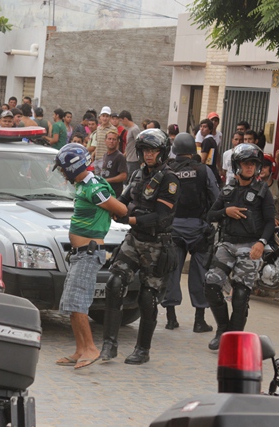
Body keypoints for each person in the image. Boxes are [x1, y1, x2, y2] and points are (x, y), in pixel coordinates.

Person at [100, 129, 180, 365]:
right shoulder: (137, 174)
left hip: (157, 244)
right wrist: (107, 205)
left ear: (162, 152)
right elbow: (123, 201)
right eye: (145, 150)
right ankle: (109, 344)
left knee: (147, 296)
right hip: (134, 240)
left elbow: (161, 216)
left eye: (153, 151)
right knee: (114, 283)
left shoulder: (169, 179)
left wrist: (130, 218)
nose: (149, 155)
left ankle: (143, 349)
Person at [53, 143, 128, 370]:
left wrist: (110, 211)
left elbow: (121, 209)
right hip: (79, 254)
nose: (62, 173)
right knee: (70, 303)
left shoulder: (94, 187)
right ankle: (80, 349)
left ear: (72, 167)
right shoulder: (82, 185)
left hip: (89, 253)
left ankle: (91, 349)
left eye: (63, 169)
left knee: (78, 303)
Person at [204, 143, 275, 350]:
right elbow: (210, 215)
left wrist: (261, 243)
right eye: (245, 163)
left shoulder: (263, 191)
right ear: (237, 165)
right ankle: (222, 330)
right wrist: (225, 212)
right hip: (227, 244)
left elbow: (270, 222)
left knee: (241, 295)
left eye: (253, 163)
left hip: (251, 245)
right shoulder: (227, 190)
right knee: (211, 284)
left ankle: (233, 339)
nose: (250, 167)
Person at [162, 132, 220, 332]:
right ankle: (199, 321)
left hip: (173, 229)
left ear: (175, 150)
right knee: (200, 274)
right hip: (199, 230)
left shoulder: (167, 171)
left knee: (172, 272)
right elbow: (216, 198)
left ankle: (171, 319)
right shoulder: (204, 170)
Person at [90, 106, 117, 174]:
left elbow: (116, 146)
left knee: (104, 178)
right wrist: (93, 154)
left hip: (106, 159)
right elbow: (98, 144)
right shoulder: (98, 128)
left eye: (107, 116)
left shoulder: (113, 129)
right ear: (100, 117)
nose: (105, 118)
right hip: (97, 159)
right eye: (103, 116)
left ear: (110, 117)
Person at [100, 130, 127, 196]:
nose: (111, 141)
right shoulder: (105, 155)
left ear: (117, 142)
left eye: (114, 139)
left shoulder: (119, 156)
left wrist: (107, 180)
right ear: (105, 141)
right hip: (105, 190)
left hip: (114, 192)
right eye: (109, 139)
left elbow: (123, 176)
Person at [197, 118, 222, 186]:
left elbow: (203, 160)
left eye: (205, 127)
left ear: (210, 129)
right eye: (201, 126)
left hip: (208, 173)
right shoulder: (212, 140)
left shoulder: (207, 141)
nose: (202, 129)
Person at [119, 110, 140, 178]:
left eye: (121, 120)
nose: (122, 123)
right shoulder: (130, 129)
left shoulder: (135, 129)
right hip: (129, 158)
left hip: (133, 159)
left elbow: (139, 143)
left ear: (125, 119)